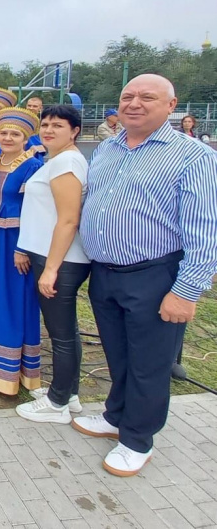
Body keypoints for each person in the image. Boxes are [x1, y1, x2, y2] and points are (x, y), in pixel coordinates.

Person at [74, 74, 217, 477]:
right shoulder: (107, 148)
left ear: (171, 106)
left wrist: (185, 292)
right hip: (106, 272)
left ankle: (138, 438)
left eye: (147, 97)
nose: (134, 103)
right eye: (127, 96)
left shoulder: (193, 157)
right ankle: (116, 414)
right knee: (117, 352)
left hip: (155, 275)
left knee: (149, 362)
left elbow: (205, 232)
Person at [14, 105, 90, 421]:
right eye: (45, 124)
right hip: (50, 255)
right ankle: (68, 394)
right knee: (65, 330)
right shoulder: (54, 160)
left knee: (60, 334)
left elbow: (69, 219)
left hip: (61, 259)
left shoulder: (68, 162)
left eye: (57, 125)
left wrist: (52, 269)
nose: (48, 130)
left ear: (74, 131)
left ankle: (57, 403)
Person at [0, 108, 44, 396]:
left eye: (14, 134)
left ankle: (13, 368)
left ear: (25, 137)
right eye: (3, 132)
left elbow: (37, 210)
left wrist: (23, 248)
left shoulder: (32, 166)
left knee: (14, 296)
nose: (7, 137)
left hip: (15, 240)